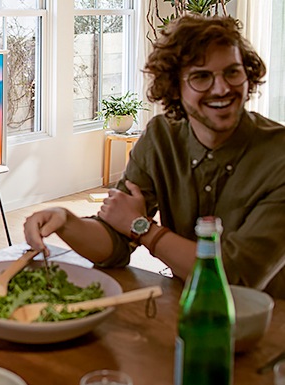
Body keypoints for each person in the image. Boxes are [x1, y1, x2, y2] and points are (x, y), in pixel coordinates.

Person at [24, 15, 285, 299]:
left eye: (233, 72)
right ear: (175, 86)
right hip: (185, 310)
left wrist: (143, 227)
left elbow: (237, 277)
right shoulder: (161, 138)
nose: (222, 88)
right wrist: (65, 220)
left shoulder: (278, 155)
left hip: (271, 323)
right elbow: (115, 242)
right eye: (201, 76)